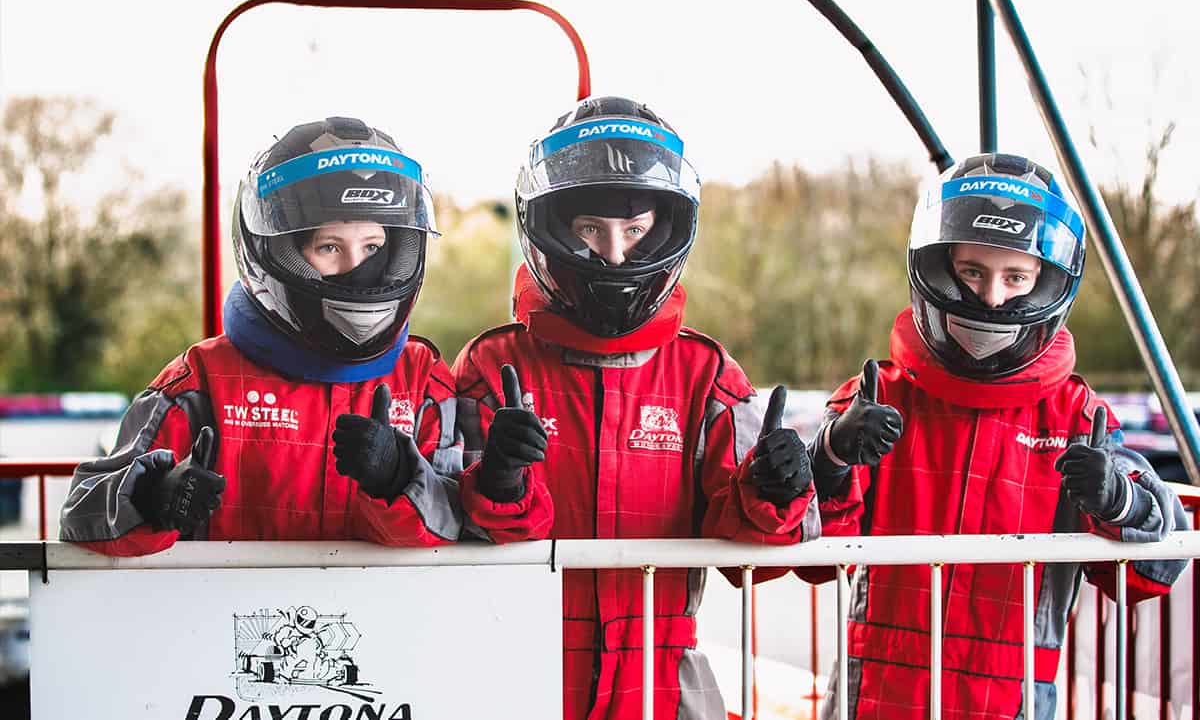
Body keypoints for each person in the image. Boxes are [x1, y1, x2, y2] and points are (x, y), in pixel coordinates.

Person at [454, 96, 820, 720]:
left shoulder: (706, 373)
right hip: (520, 671)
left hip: (660, 679)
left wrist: (773, 489)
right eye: (589, 230)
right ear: (550, 230)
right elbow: (444, 527)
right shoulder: (493, 365)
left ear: (666, 229)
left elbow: (751, 557)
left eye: (635, 231)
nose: (615, 256)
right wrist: (497, 481)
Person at [804, 153, 1188, 720]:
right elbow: (810, 549)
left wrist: (1119, 501)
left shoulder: (1077, 417)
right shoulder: (880, 396)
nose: (992, 299)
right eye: (972, 272)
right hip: (881, 689)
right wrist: (830, 456)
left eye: (1016, 277)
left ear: (1046, 282)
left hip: (1011, 696)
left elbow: (1158, 566)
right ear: (938, 269)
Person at [59, 116, 462, 555]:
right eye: (329, 246)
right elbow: (80, 516)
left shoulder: (423, 381)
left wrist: (399, 478)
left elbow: (465, 527)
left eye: (373, 247)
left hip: (388, 601)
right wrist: (152, 497)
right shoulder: (201, 381)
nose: (356, 268)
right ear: (277, 253)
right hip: (225, 602)